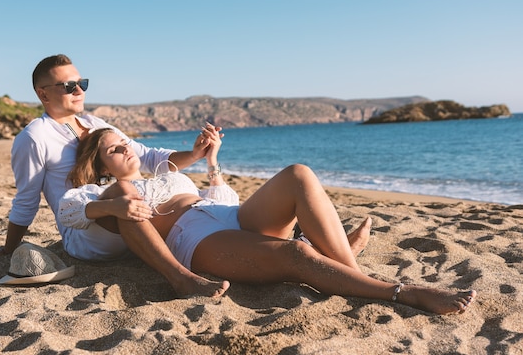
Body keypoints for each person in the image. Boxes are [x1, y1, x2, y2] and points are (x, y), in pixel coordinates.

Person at [59, 125, 476, 315]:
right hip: (195, 238)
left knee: (298, 173)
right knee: (295, 252)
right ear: (100, 165)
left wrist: (213, 163)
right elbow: (70, 213)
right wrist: (112, 206)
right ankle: (402, 292)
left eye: (125, 142)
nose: (125, 149)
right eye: (113, 149)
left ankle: (349, 270)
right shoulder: (102, 192)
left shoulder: (168, 174)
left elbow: (225, 197)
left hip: (229, 214)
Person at [0, 54, 213, 265]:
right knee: (125, 192)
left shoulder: (95, 124)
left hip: (132, 224)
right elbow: (27, 198)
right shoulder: (34, 137)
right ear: (43, 94)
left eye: (82, 83)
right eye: (69, 86)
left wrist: (195, 154)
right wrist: (9, 249)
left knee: (184, 206)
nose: (79, 91)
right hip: (86, 235)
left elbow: (148, 157)